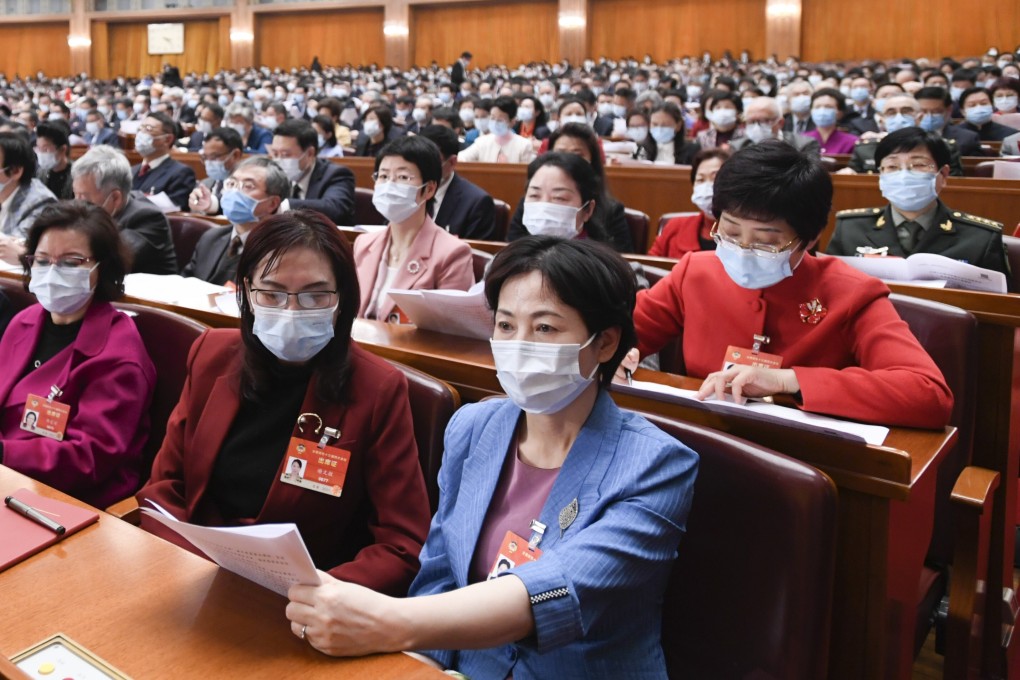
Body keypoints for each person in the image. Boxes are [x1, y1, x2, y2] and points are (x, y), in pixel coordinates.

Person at [284, 236, 699, 677]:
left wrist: (385, 623)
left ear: (605, 344)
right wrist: (423, 667)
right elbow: (440, 572)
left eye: (545, 328)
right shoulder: (473, 426)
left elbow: (557, 591)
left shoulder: (656, 465)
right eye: (505, 325)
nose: (519, 344)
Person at [138, 209, 430, 594]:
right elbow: (164, 487)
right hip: (196, 573)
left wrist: (320, 595)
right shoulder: (211, 353)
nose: (291, 311)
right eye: (272, 294)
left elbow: (403, 544)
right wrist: (187, 566)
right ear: (246, 293)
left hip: (305, 599)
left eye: (314, 295)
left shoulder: (377, 388)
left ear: (342, 298)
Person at [627, 140, 953, 429]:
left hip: (806, 459)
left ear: (810, 239)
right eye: (730, 232)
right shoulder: (696, 271)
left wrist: (789, 380)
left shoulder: (851, 292)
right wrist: (613, 354)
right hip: (705, 435)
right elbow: (621, 332)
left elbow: (928, 394)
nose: (742, 249)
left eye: (766, 242)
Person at [0, 201, 156, 507]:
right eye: (42, 261)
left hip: (65, 499)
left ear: (103, 268)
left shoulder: (119, 353)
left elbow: (89, 458)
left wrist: (4, 454)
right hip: (9, 478)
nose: (52, 272)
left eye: (71, 262)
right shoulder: (25, 321)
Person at [827, 127, 1010, 278]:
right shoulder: (850, 228)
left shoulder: (981, 237)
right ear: (880, 175)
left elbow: (1000, 310)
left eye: (919, 165)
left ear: (944, 175)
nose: (904, 175)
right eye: (892, 167)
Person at [355, 135, 474, 322]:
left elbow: (450, 330)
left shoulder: (452, 254)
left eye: (403, 177)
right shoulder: (363, 243)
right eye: (384, 176)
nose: (389, 185)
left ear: (429, 189)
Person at [508, 128, 633, 252]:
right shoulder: (507, 262)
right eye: (534, 195)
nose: (545, 204)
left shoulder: (602, 264)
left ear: (588, 209)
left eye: (559, 198)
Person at [71, 145, 178, 275]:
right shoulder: (97, 213)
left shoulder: (147, 218)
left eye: (84, 197)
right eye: (75, 195)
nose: (77, 203)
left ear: (115, 198)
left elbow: (110, 260)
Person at [183, 157, 288, 284]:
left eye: (248, 186)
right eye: (232, 184)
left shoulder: (283, 251)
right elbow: (185, 285)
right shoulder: (211, 237)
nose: (234, 192)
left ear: (272, 203)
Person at [269, 118, 355, 225]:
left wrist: (284, 206)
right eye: (275, 154)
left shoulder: (336, 174)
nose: (278, 160)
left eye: (286, 155)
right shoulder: (274, 175)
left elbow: (334, 208)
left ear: (310, 153)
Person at [417, 125, 497, 240]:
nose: (422, 168)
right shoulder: (407, 190)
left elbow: (475, 253)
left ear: (452, 162)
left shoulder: (477, 202)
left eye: (430, 162)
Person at [648, 148, 730, 258]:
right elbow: (650, 266)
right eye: (700, 180)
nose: (707, 187)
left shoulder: (745, 235)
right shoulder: (674, 228)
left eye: (715, 178)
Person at [131, 112, 196, 212]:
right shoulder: (131, 170)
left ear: (168, 139)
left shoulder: (181, 173)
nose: (141, 133)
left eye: (148, 129)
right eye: (140, 128)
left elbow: (175, 211)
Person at [457, 96, 535, 164]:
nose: (495, 122)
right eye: (493, 118)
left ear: (512, 122)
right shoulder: (482, 142)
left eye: (500, 120)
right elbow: (462, 157)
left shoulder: (524, 145)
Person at [187, 127, 245, 216]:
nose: (208, 162)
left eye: (214, 157)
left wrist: (211, 205)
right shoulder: (205, 184)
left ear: (235, 155)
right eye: (205, 157)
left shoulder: (246, 186)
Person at [730, 97, 819, 154]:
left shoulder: (804, 145)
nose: (757, 127)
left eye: (764, 121)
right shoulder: (738, 147)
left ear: (780, 122)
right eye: (751, 122)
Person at [803, 87, 859, 154]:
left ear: (839, 112)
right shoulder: (801, 140)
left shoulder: (852, 142)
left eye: (828, 107)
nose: (822, 111)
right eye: (817, 107)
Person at [34, 121, 74, 200]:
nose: (41, 154)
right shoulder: (41, 173)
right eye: (39, 148)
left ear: (63, 149)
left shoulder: (76, 174)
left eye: (45, 149)